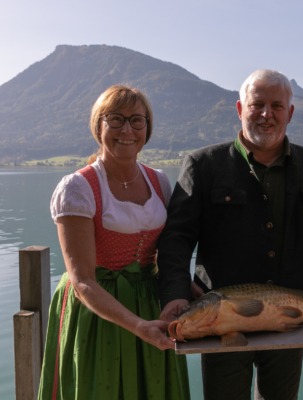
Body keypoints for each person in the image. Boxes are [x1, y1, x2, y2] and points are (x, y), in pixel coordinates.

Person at [157, 69, 303, 400]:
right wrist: (176, 294)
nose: (267, 114)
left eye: (277, 106)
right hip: (221, 320)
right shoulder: (203, 164)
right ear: (240, 109)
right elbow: (176, 239)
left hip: (290, 316)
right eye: (257, 104)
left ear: (290, 113)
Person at [38, 85, 190, 400]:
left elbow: (167, 258)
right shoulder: (77, 188)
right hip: (97, 310)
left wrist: (202, 296)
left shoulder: (159, 181)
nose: (127, 129)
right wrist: (137, 326)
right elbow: (82, 282)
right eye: (115, 119)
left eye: (137, 120)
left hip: (150, 304)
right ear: (99, 126)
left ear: (148, 127)